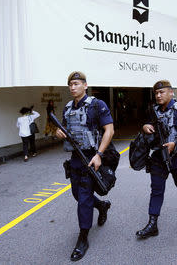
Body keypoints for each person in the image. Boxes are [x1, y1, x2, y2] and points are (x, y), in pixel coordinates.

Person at [55, 71, 114, 261]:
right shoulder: (67, 108)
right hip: (75, 158)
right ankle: (102, 206)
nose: (73, 87)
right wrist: (59, 132)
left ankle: (83, 238)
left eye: (76, 84)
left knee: (84, 199)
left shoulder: (97, 105)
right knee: (76, 194)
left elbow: (109, 130)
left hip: (91, 157)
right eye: (70, 84)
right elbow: (64, 128)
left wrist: (99, 155)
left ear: (85, 86)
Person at [136, 80, 177, 239]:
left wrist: (176, 143)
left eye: (161, 92)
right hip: (158, 156)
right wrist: (145, 126)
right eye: (156, 93)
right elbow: (148, 124)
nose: (158, 95)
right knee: (156, 189)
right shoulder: (154, 110)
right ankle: (152, 224)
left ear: (171, 92)